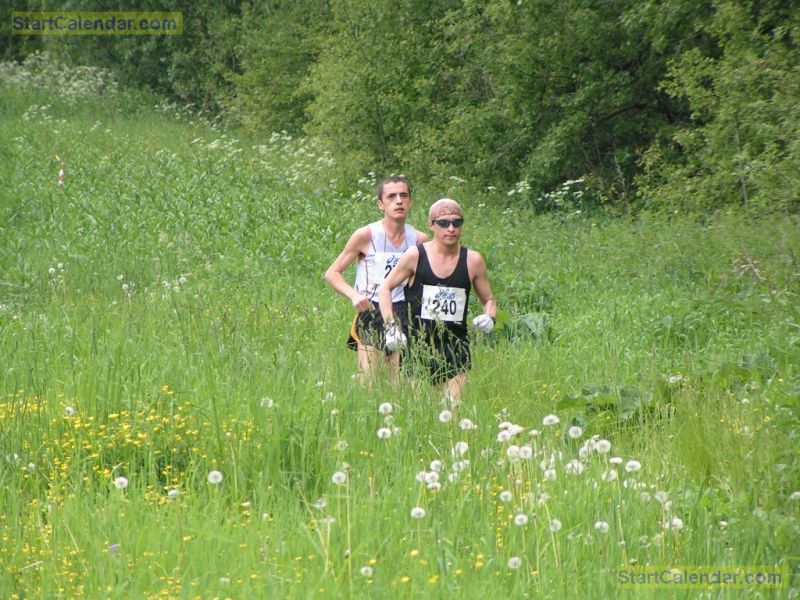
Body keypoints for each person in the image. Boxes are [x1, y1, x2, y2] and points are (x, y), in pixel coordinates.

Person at [378, 198, 497, 400]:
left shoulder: (473, 260)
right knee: (420, 414)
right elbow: (385, 288)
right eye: (443, 223)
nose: (451, 228)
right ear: (431, 225)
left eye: (456, 222)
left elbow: (489, 299)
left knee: (454, 411)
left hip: (456, 347)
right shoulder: (415, 256)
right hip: (418, 347)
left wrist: (490, 317)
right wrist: (391, 327)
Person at [324, 176, 429, 384]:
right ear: (381, 204)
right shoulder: (366, 235)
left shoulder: (420, 240)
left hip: (404, 312)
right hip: (372, 311)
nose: (398, 201)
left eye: (403, 196)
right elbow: (332, 273)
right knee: (369, 382)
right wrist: (353, 295)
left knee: (399, 384)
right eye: (391, 196)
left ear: (410, 202)